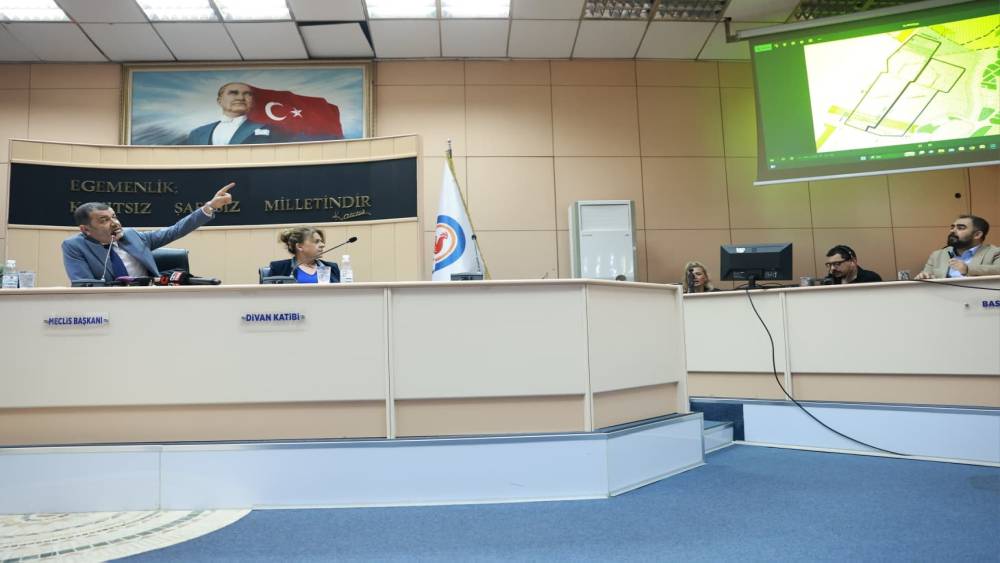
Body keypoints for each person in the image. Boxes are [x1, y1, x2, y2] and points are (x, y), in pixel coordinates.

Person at [62, 183, 235, 283]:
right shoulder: (75, 246)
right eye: (104, 220)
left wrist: (210, 207)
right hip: (110, 306)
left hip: (151, 298)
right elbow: (84, 285)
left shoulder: (132, 235)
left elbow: (175, 230)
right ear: (85, 229)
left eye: (114, 216)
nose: (114, 223)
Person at [184, 82, 291, 145]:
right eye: (233, 93)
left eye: (247, 94)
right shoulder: (197, 133)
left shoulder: (271, 129)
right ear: (219, 101)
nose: (240, 98)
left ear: (252, 102)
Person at [914, 215, 1000, 279]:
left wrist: (967, 269)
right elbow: (926, 275)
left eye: (960, 228)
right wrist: (924, 277)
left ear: (977, 235)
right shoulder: (937, 255)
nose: (953, 231)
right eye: (952, 227)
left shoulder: (994, 252)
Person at [269, 226, 341, 283]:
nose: (322, 245)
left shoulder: (332, 268)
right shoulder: (279, 268)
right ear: (299, 246)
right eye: (316, 242)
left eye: (321, 241)